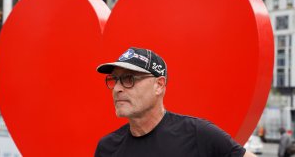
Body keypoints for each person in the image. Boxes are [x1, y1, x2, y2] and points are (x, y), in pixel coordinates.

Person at [95, 47, 256, 157]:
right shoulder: (107, 148)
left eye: (128, 79)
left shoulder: (199, 135)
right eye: (114, 80)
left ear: (159, 85)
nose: (117, 88)